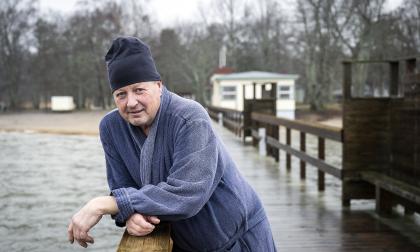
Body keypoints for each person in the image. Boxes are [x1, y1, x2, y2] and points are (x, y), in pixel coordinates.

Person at [67, 36, 277, 251]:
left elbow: (187, 193)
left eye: (139, 90)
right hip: (180, 241)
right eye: (121, 94)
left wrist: (105, 204)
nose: (131, 102)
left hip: (237, 240)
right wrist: (130, 214)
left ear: (159, 86)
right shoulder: (111, 128)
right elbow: (123, 186)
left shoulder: (190, 117)